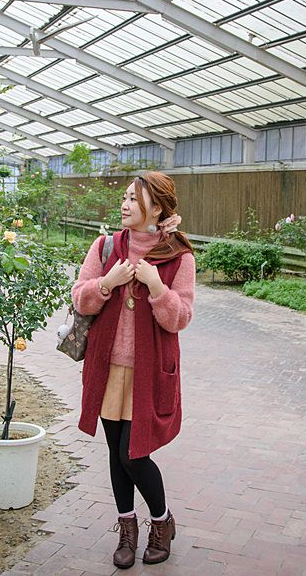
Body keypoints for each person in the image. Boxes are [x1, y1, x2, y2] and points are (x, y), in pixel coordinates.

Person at [71, 171, 195, 569]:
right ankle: (127, 528)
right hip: (107, 369)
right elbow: (80, 299)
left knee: (133, 453)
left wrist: (158, 288)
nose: (123, 204)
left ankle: (161, 521)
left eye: (133, 198)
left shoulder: (178, 256)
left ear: (156, 208)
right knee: (115, 451)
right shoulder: (106, 246)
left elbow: (181, 318)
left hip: (149, 372)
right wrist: (106, 283)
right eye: (123, 197)